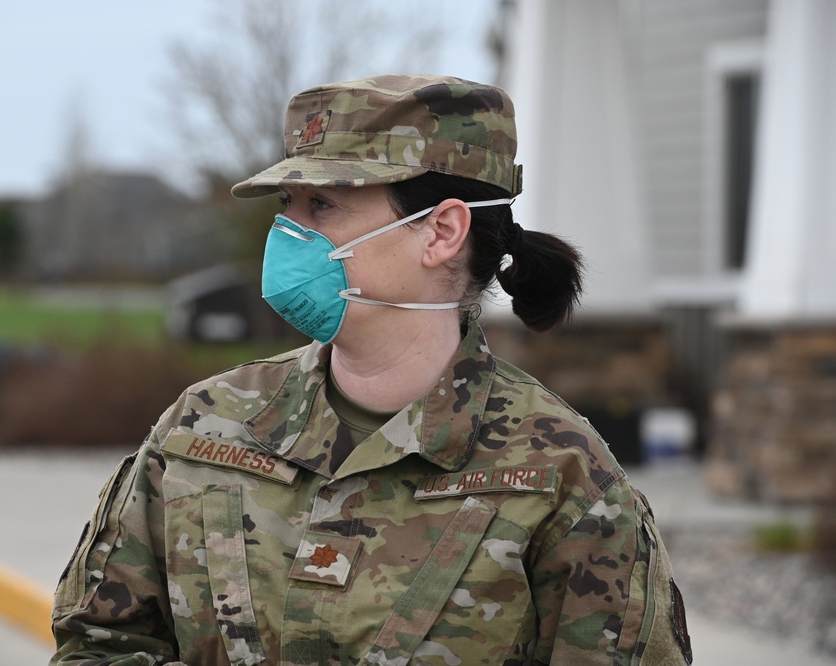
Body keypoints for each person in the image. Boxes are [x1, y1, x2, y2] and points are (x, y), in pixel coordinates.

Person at [50, 74, 692, 665]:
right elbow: (99, 644)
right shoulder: (202, 429)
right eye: (289, 203)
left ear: (441, 231)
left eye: (322, 206)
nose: (286, 232)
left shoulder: (561, 474)